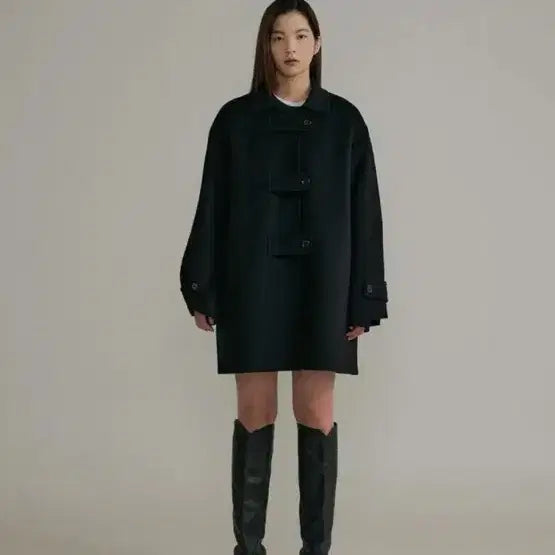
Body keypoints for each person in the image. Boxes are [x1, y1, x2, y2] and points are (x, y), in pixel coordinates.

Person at [179, 1, 389, 553]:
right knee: (255, 410)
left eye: (300, 35)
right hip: (250, 277)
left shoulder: (345, 122)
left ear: (317, 44)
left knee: (316, 411)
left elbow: (365, 213)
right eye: (278, 37)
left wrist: (365, 296)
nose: (289, 48)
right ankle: (249, 548)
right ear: (265, 45)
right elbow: (212, 204)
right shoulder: (235, 120)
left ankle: (315, 550)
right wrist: (201, 283)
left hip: (325, 281)